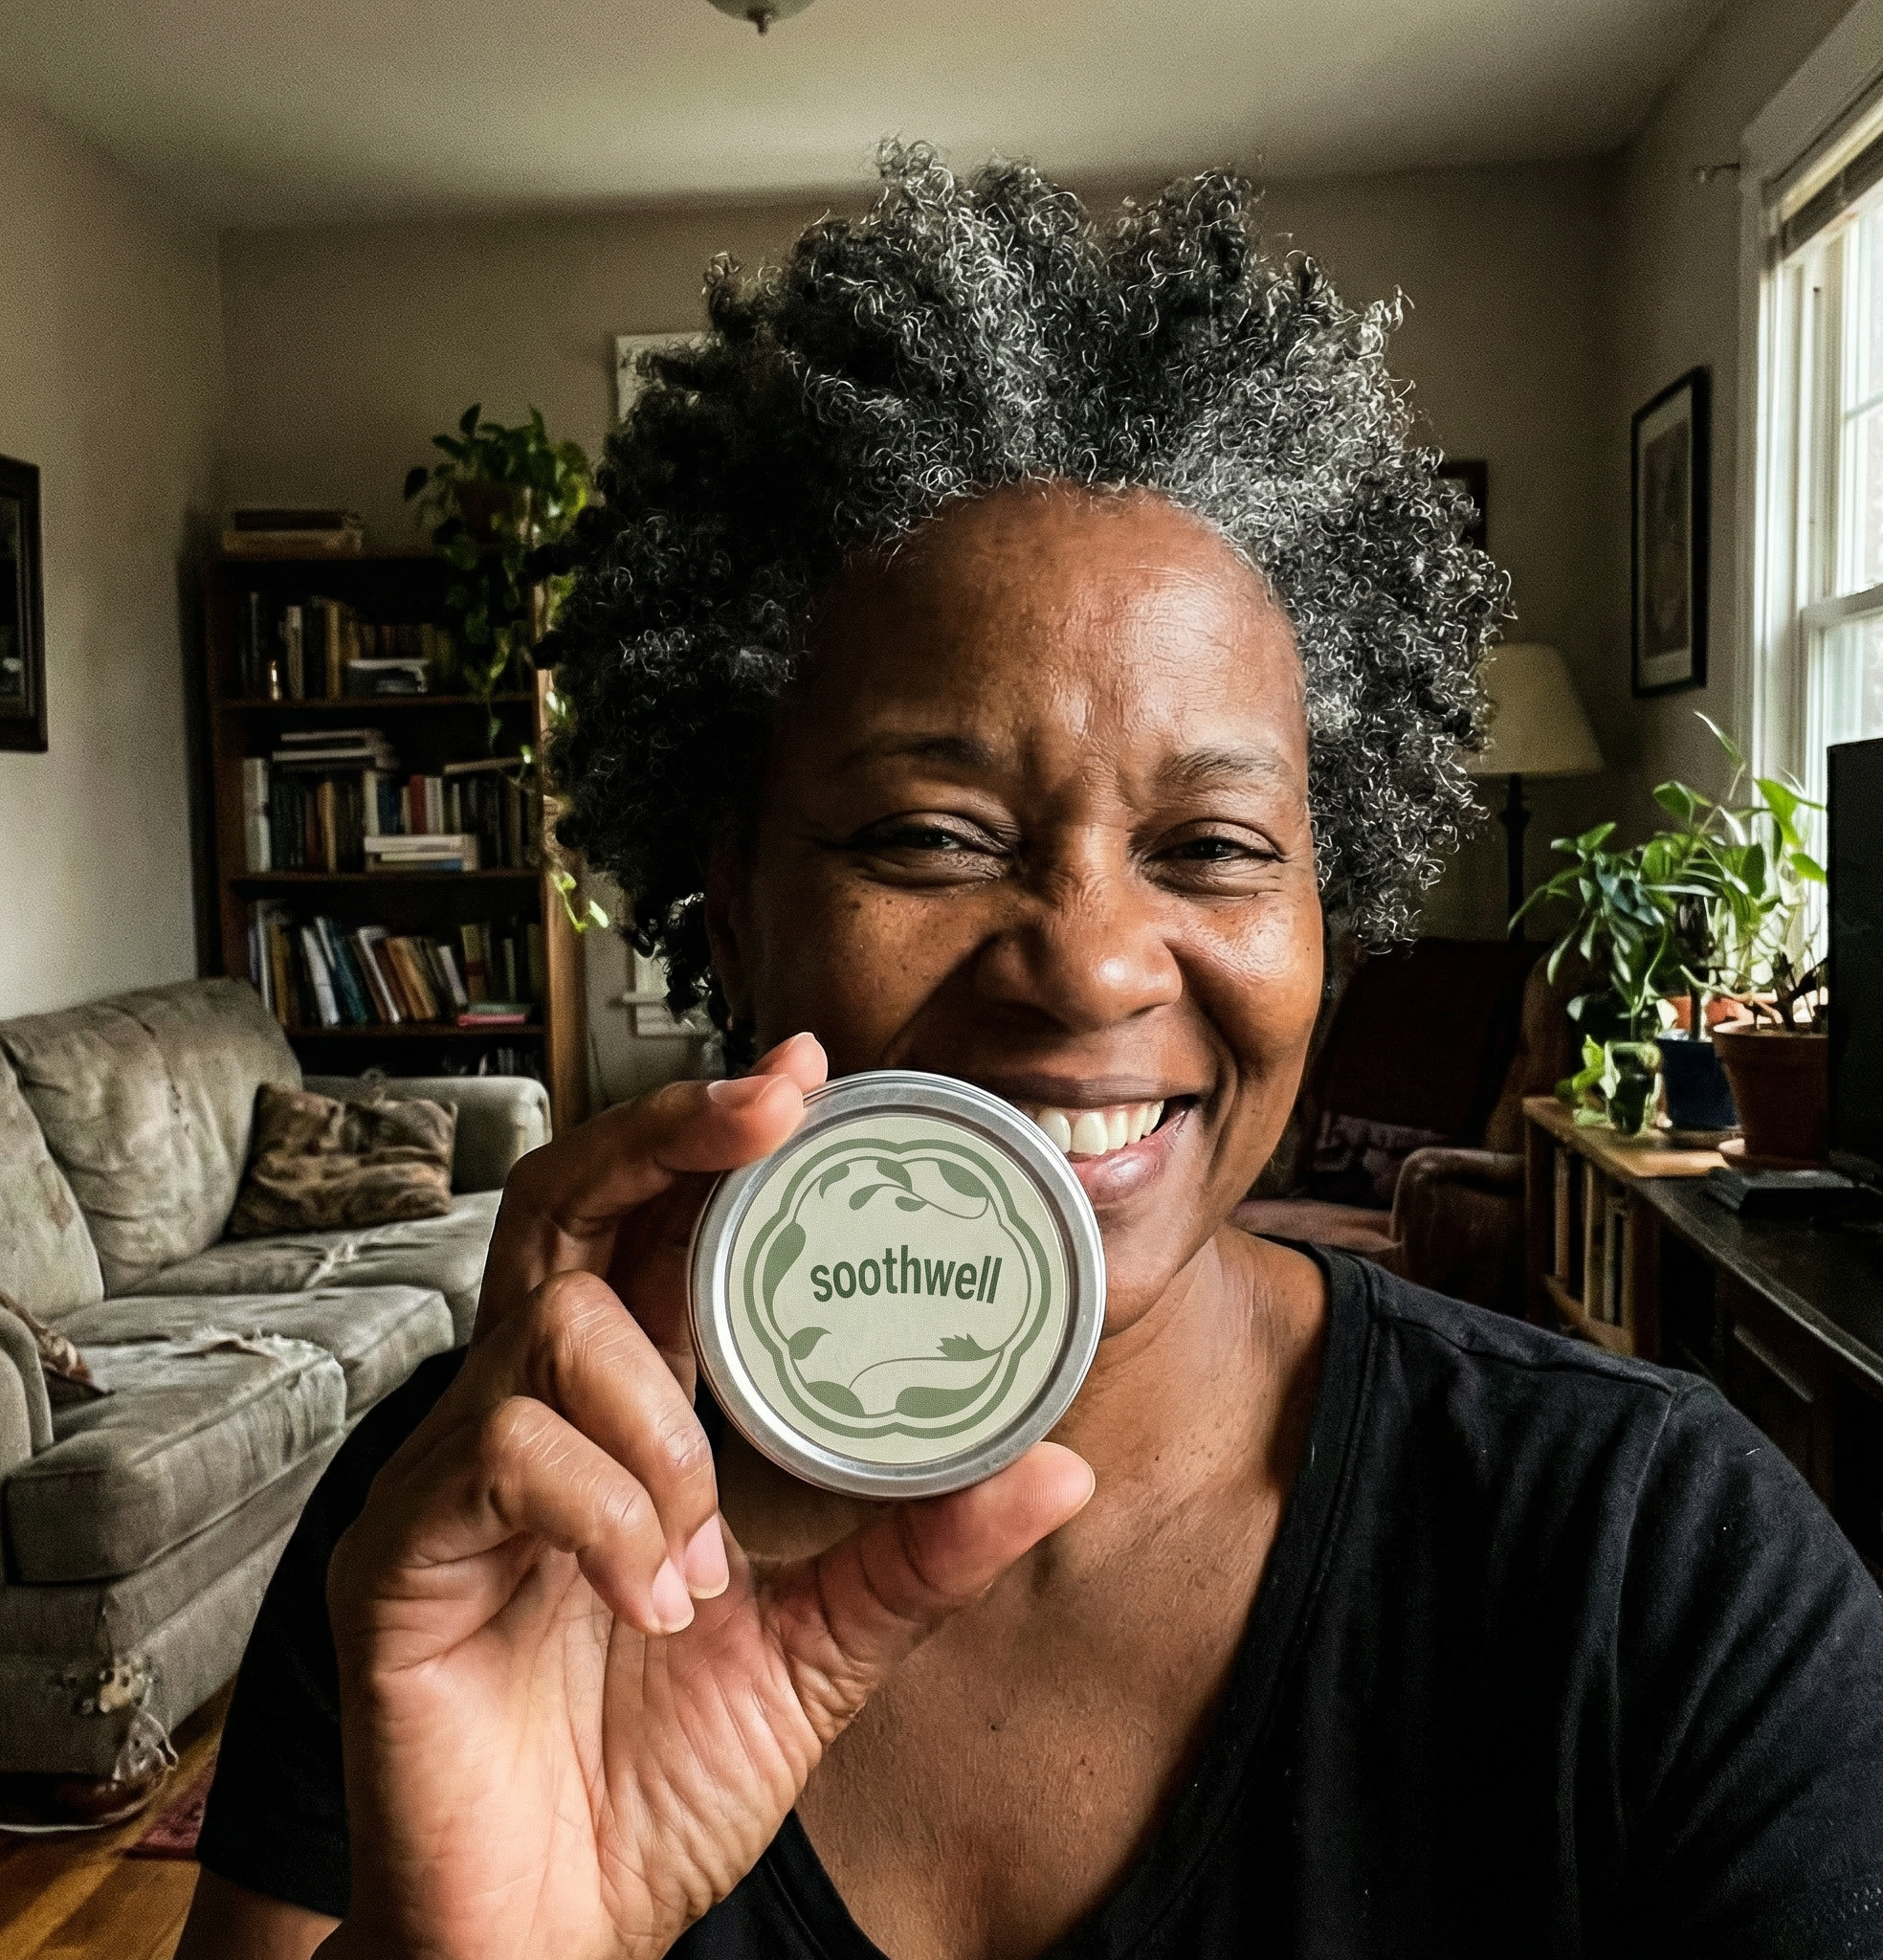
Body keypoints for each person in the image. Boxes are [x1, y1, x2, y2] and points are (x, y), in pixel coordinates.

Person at [177, 147, 1883, 1960]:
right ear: (732, 905)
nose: (1085, 968)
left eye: (1213, 848)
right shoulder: (482, 1526)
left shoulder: (1661, 1568)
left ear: (1332, 920)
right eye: (928, 835)